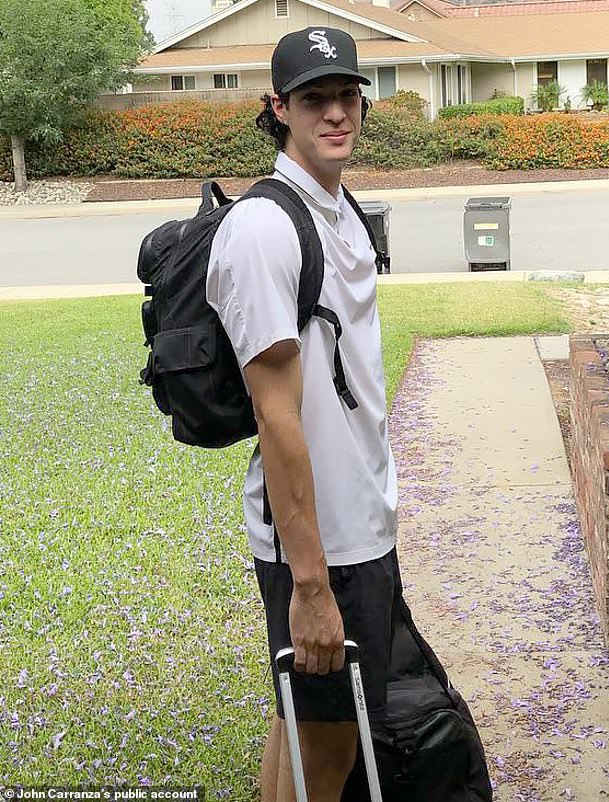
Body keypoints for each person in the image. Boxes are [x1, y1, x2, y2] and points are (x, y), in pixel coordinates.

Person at [206, 26, 402, 802]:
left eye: (347, 96)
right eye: (314, 98)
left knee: (298, 733)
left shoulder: (341, 210)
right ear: (278, 109)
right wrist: (312, 587)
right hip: (322, 547)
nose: (336, 113)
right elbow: (278, 418)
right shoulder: (263, 229)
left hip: (361, 526)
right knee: (330, 762)